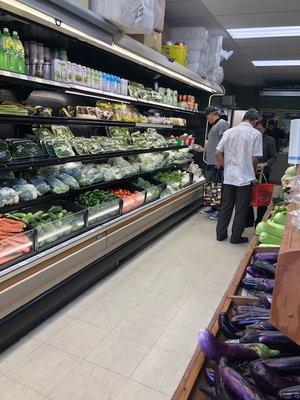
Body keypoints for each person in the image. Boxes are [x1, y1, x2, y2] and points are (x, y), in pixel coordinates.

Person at [215, 109, 263, 244]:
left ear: (243, 119)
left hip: (229, 176)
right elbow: (254, 159)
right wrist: (253, 175)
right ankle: (236, 237)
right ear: (255, 121)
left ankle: (220, 234)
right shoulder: (255, 134)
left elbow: (217, 152)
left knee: (226, 206)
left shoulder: (229, 132)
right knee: (241, 209)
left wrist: (225, 166)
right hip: (245, 178)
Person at [200, 106, 230, 220]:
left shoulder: (222, 124)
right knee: (211, 185)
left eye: (207, 117)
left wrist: (219, 159)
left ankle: (219, 210)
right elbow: (214, 143)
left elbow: (225, 143)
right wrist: (204, 150)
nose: (208, 120)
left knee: (217, 185)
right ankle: (213, 207)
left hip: (216, 161)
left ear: (211, 115)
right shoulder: (215, 125)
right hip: (211, 160)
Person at [247, 118, 277, 225]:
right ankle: (248, 220)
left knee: (262, 197)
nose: (258, 131)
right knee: (248, 196)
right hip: (249, 171)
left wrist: (265, 164)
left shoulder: (270, 140)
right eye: (256, 128)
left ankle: (259, 220)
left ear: (264, 129)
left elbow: (274, 156)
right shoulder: (249, 138)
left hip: (263, 173)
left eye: (260, 129)